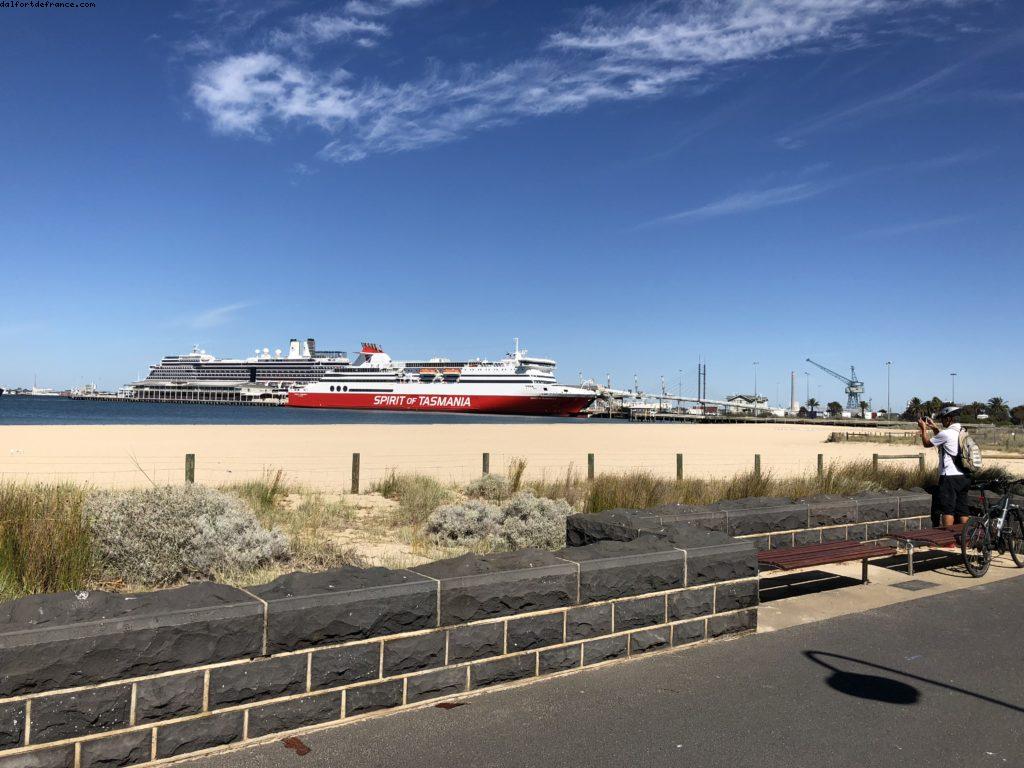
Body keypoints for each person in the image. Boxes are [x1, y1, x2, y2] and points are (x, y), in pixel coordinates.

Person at [918, 405, 970, 527]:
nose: (942, 421)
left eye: (943, 418)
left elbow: (927, 443)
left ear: (949, 419)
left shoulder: (946, 434)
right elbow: (944, 441)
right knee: (963, 510)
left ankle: (949, 541)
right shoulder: (964, 431)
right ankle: (965, 539)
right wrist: (935, 428)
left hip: (949, 476)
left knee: (948, 509)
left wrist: (923, 428)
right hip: (964, 476)